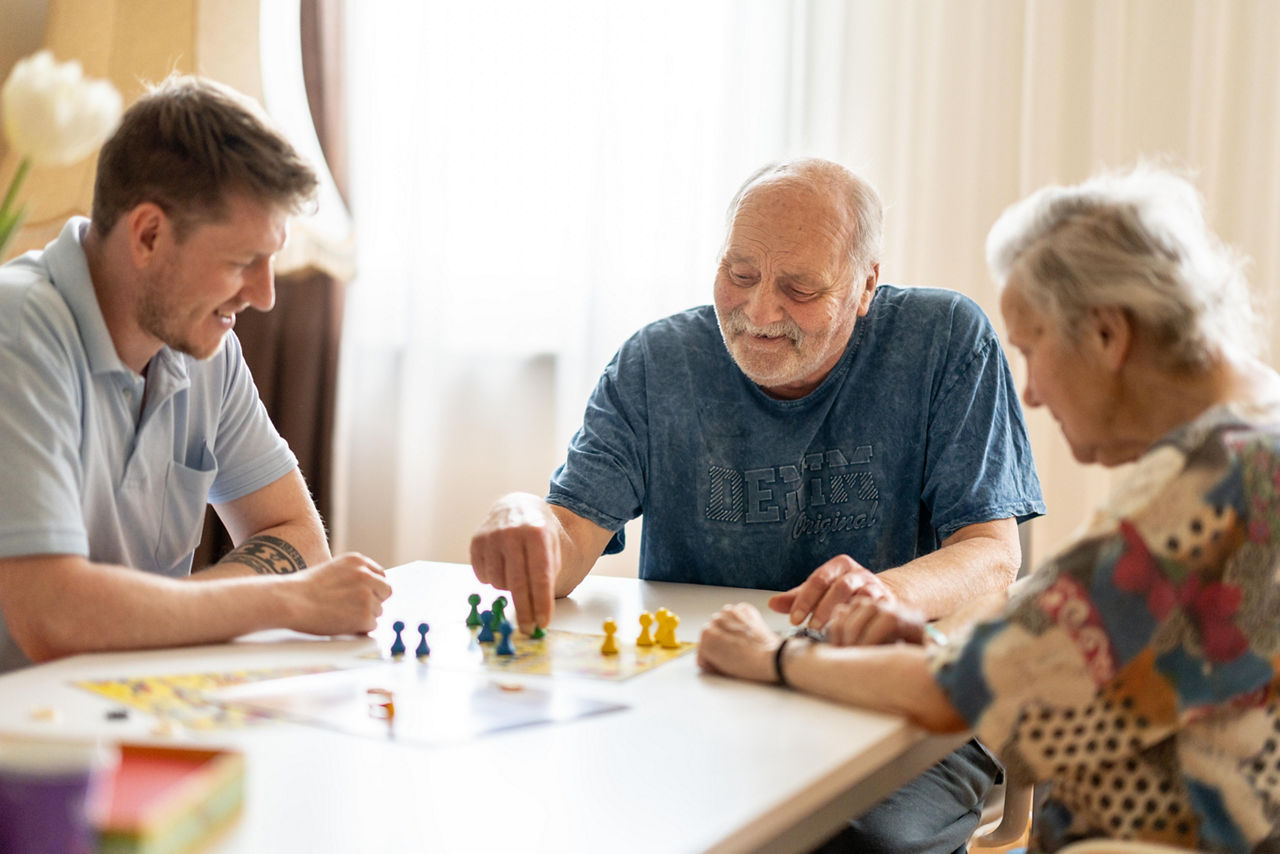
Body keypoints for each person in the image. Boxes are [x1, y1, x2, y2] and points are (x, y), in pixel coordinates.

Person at [698, 165, 1280, 853]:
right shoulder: (1259, 429)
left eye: (1032, 349)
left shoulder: (1206, 483)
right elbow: (1097, 663)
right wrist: (950, 644)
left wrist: (775, 657)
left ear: (1106, 335)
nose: (1029, 392)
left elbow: (957, 693)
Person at [471, 158, 1045, 852]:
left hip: (895, 704)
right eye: (739, 274)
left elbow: (992, 555)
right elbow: (566, 543)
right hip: (708, 692)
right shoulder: (658, 362)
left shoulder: (944, 340)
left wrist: (883, 592)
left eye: (800, 288)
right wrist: (522, 516)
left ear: (866, 284)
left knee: (852, 843)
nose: (759, 311)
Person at [0, 75, 391, 674]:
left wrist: (151, 612)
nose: (263, 297)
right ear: (150, 234)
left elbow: (299, 535)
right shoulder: (18, 327)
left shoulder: (204, 344)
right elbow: (53, 617)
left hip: (120, 703)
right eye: (241, 262)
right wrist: (285, 599)